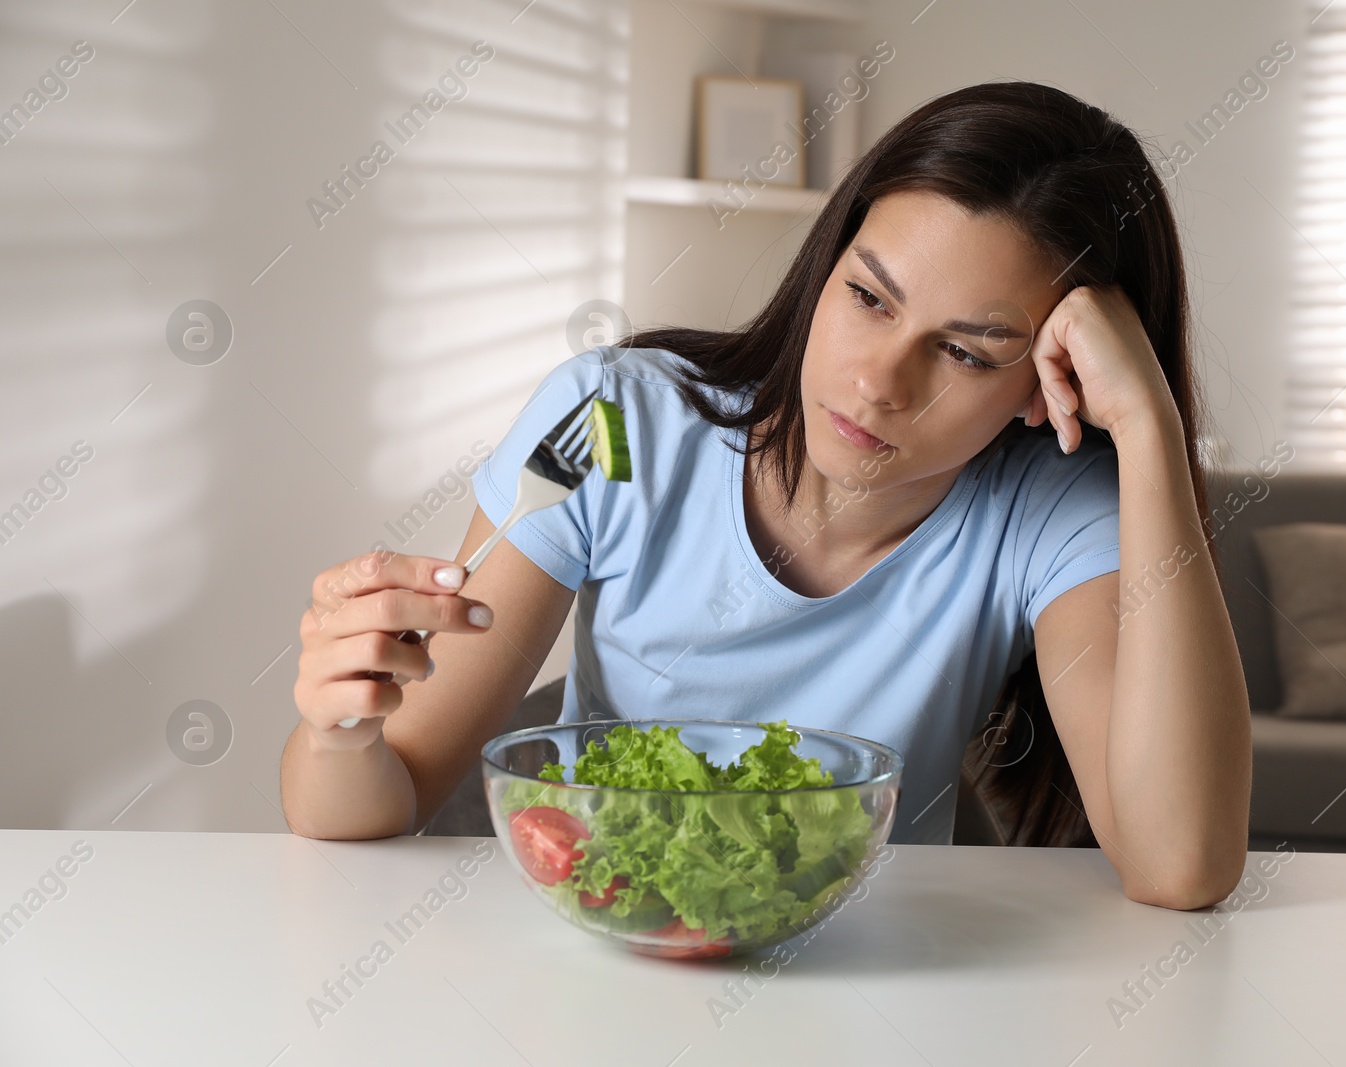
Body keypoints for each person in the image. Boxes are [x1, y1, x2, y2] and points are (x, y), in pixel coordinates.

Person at [280, 81, 1252, 910]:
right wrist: (341, 727)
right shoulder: (613, 422)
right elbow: (380, 796)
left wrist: (1149, 430)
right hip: (602, 949)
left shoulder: (1046, 506)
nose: (879, 380)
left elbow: (1180, 864)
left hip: (872, 982)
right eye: (869, 296)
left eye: (963, 351)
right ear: (825, 263)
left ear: (1048, 382)